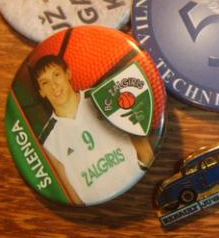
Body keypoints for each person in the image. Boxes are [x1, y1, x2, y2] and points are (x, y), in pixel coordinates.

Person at [31, 55, 154, 205]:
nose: (54, 86)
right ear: (41, 92)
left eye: (56, 75)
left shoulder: (103, 96)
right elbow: (71, 195)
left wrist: (145, 175)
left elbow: (143, 146)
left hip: (139, 190)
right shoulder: (47, 140)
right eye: (45, 82)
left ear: (68, 74)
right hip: (102, 209)